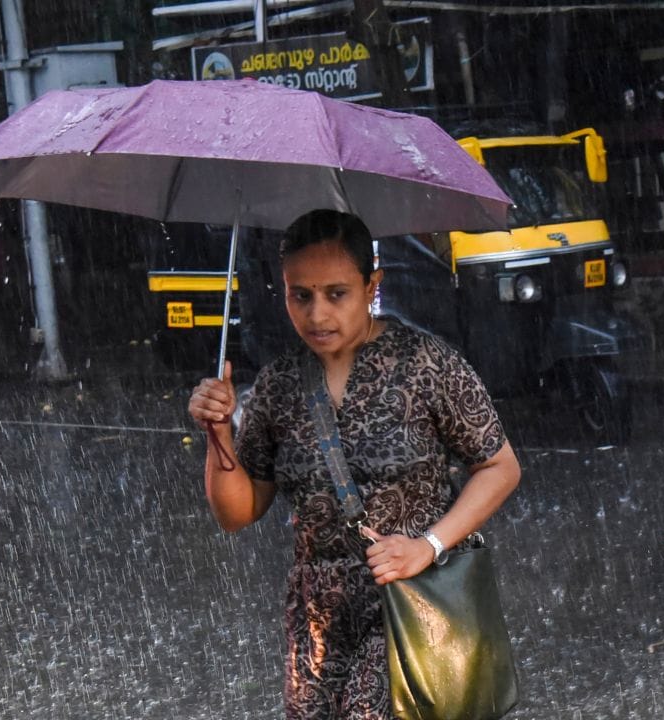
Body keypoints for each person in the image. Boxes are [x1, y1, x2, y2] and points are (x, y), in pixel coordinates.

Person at [188, 209, 522, 720]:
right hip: (318, 621)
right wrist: (217, 436)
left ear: (372, 285)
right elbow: (238, 511)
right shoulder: (277, 387)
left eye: (336, 293)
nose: (317, 314)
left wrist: (427, 546)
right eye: (300, 295)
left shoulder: (425, 363)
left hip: (413, 600)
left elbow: (500, 466)